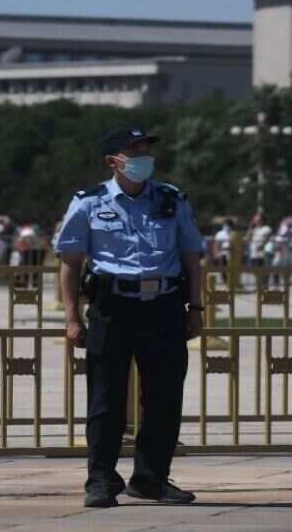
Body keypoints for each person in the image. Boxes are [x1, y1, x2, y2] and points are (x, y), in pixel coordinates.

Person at [55, 127, 204, 509]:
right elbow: (70, 264)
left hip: (164, 307)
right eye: (134, 151)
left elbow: (192, 257)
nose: (143, 158)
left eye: (146, 150)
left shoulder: (171, 198)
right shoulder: (88, 203)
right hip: (113, 307)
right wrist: (72, 318)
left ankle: (151, 479)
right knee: (105, 399)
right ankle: (101, 480)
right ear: (113, 161)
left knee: (164, 397)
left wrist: (196, 308)